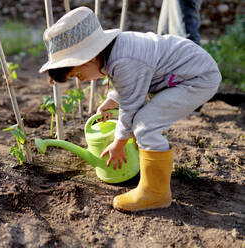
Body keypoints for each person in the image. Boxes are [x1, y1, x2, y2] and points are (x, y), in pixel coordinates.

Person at [39, 7, 221, 212]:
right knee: (143, 123)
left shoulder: (124, 60)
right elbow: (130, 82)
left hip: (196, 79)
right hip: (184, 76)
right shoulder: (116, 52)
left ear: (88, 59)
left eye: (78, 75)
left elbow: (131, 102)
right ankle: (154, 177)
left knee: (145, 124)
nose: (80, 80)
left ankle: (155, 193)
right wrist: (111, 100)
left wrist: (119, 143)